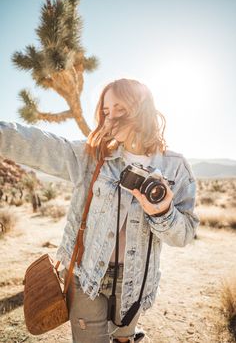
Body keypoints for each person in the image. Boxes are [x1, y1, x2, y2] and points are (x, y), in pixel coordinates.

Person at [0, 78, 199, 343]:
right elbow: (38, 144)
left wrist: (163, 212)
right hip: (87, 277)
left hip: (135, 282)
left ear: (143, 109)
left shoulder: (176, 167)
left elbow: (183, 235)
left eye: (120, 109)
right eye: (106, 111)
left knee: (123, 340)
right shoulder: (91, 156)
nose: (110, 118)